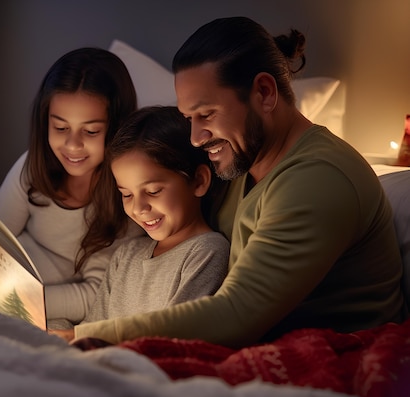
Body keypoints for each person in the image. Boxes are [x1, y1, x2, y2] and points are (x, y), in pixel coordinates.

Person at [63, 17, 405, 347]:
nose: (195, 137)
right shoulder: (240, 162)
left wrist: (88, 337)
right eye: (188, 119)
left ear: (265, 93)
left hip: (343, 351)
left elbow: (236, 314)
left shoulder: (318, 179)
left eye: (207, 114)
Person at [0, 47, 139, 329]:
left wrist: (12, 299)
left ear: (117, 129)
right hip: (0, 282)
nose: (73, 145)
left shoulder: (126, 196)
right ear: (45, 122)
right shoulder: (33, 167)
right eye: (60, 128)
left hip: (37, 301)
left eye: (90, 132)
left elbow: (94, 294)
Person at [49, 106, 230, 340]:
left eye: (153, 191)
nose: (138, 208)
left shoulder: (206, 251)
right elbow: (91, 329)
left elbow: (175, 335)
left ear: (198, 181)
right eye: (126, 194)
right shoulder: (126, 256)